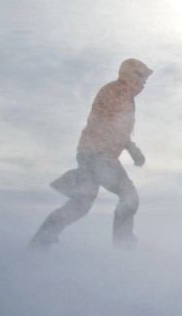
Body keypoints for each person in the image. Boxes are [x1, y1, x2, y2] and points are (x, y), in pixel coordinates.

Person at [30, 58, 153, 250]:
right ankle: (124, 248)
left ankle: (40, 242)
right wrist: (131, 150)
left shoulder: (124, 95)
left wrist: (129, 149)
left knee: (81, 204)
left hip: (98, 154)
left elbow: (118, 128)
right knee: (129, 197)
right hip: (99, 155)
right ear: (131, 74)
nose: (145, 81)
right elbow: (109, 124)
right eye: (142, 76)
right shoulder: (115, 92)